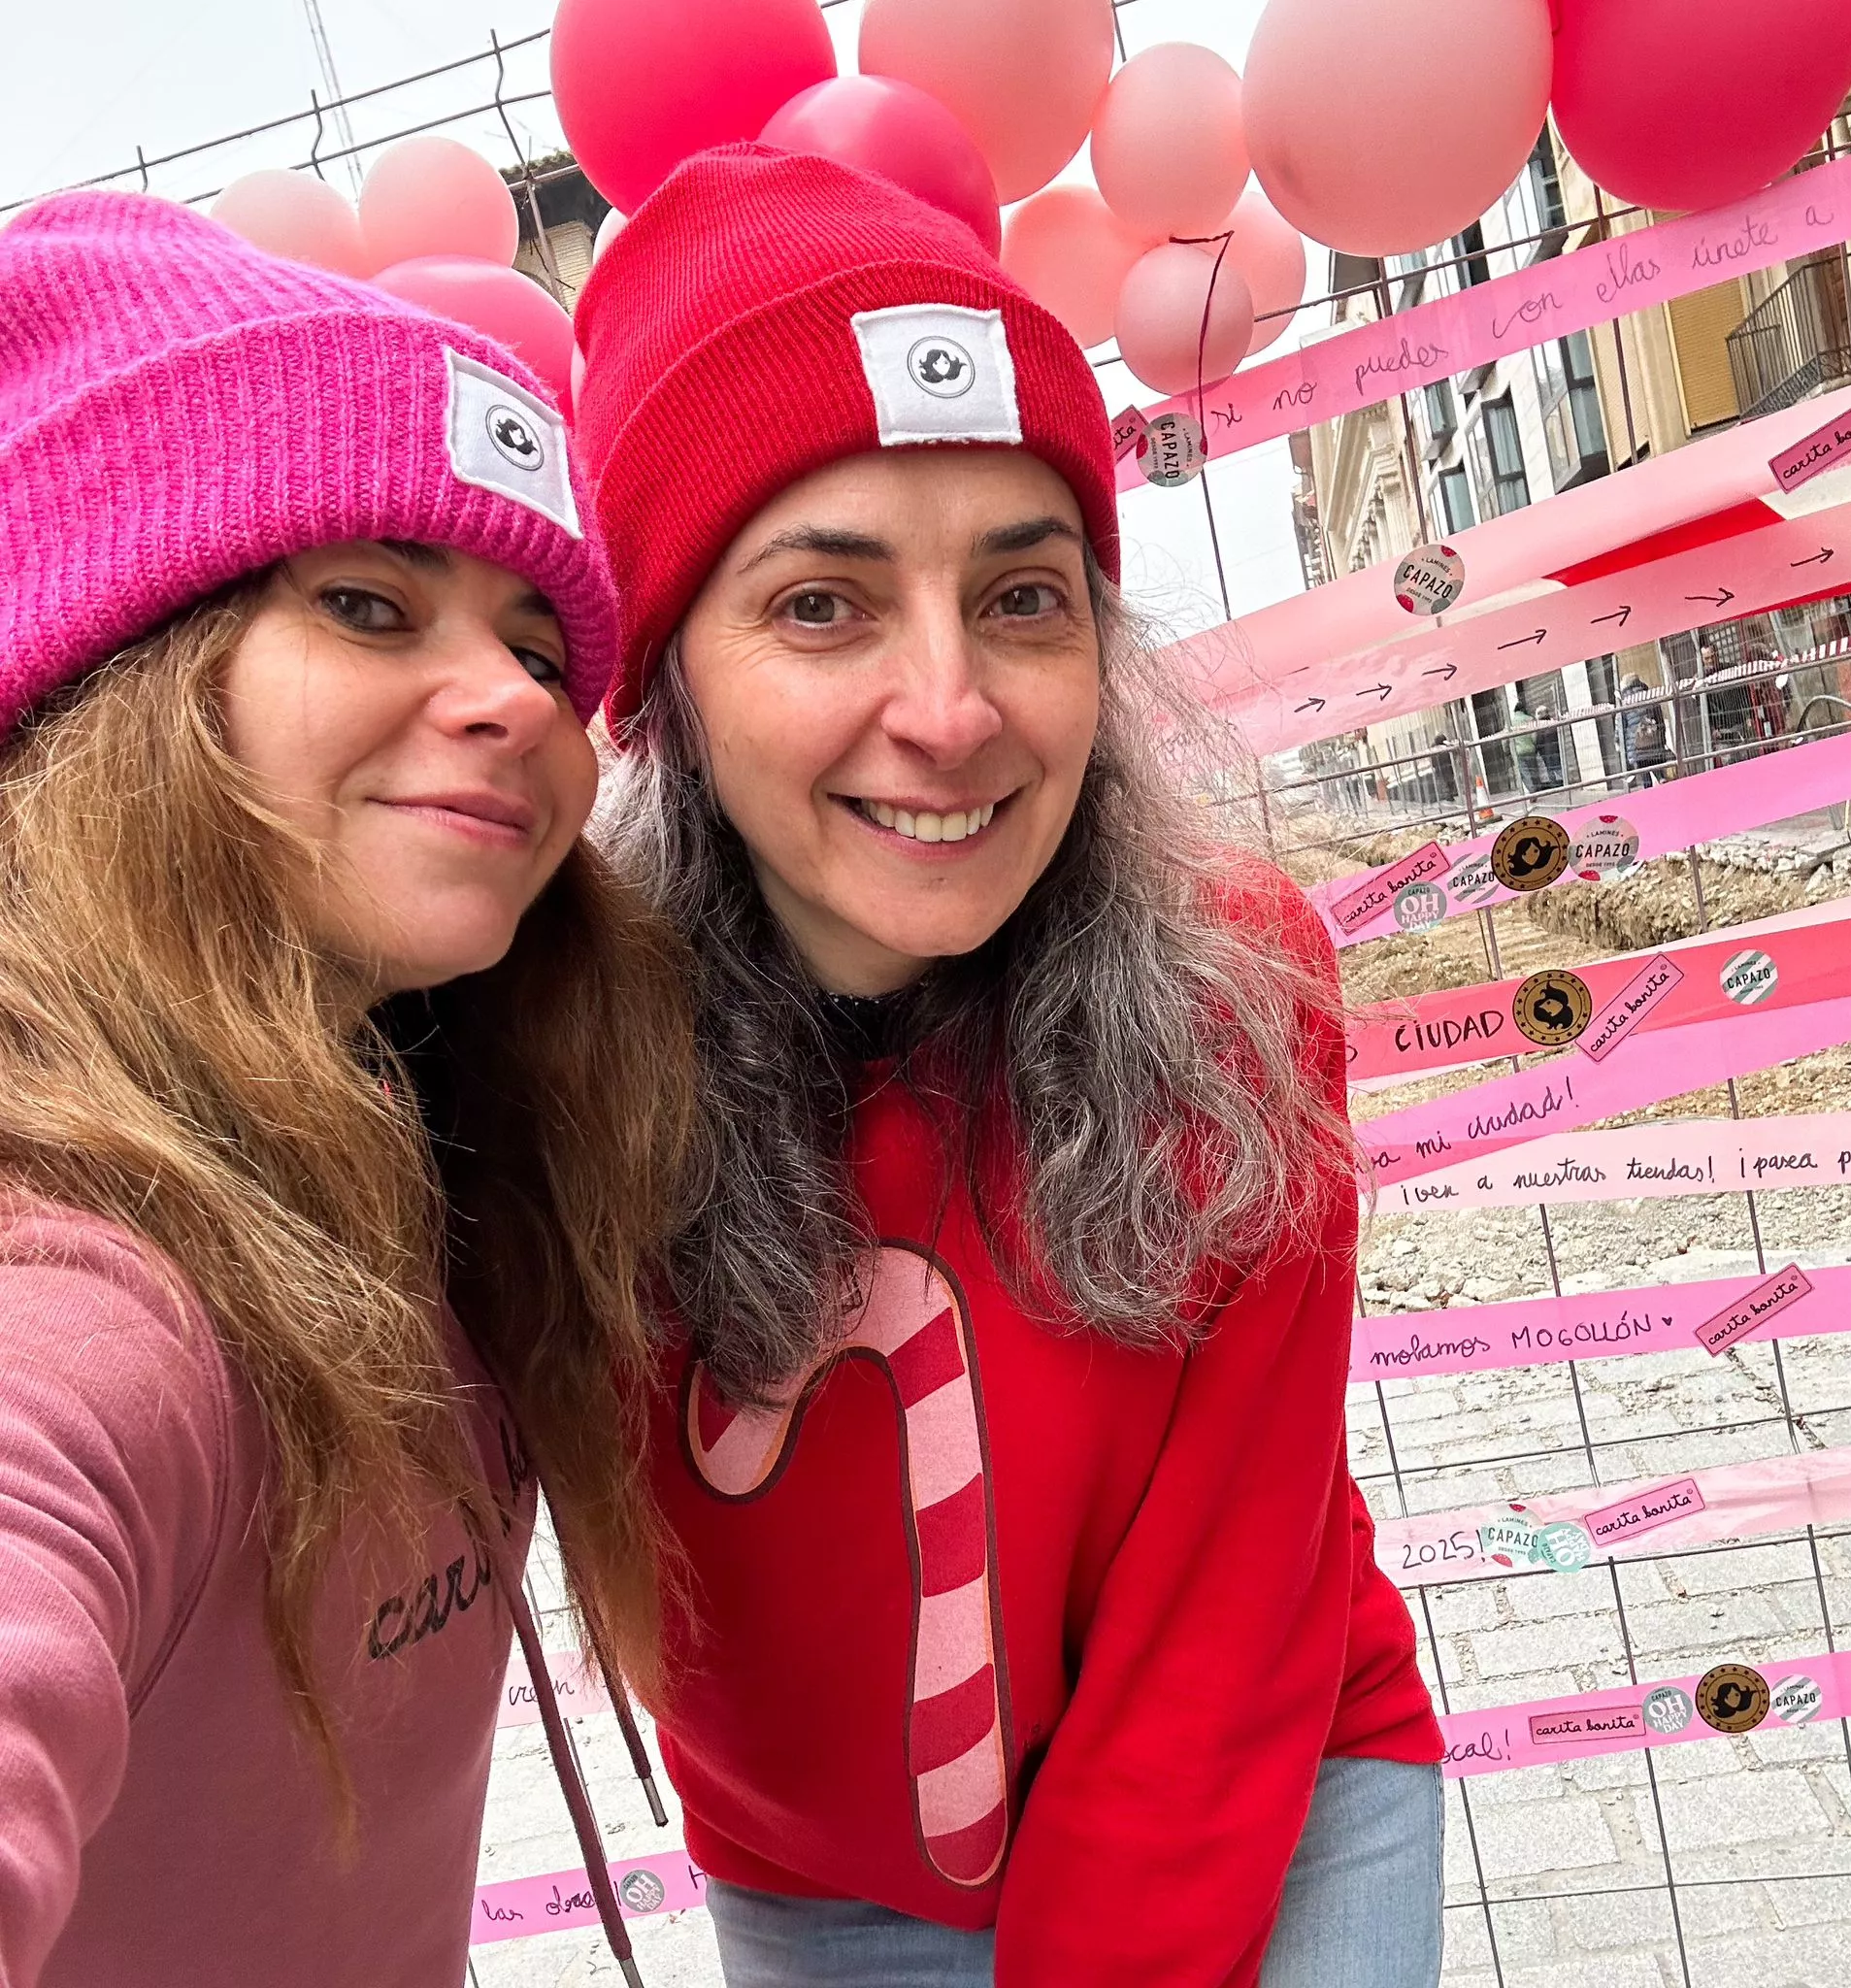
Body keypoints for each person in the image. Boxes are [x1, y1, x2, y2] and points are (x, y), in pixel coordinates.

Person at [577, 147, 1443, 1988]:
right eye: (821, 603)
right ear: (667, 673)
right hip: (828, 1899)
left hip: (1265, 1798)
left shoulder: (1233, 991)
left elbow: (1220, 1614)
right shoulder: (559, 1056)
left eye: (1025, 597)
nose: (952, 708)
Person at [0, 193, 692, 1985]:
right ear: (110, 675)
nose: (515, 702)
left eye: (541, 646)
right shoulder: (84, 1274)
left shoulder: (459, 1145)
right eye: (369, 605)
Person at [1618, 675, 1673, 788]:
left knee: (1645, 776)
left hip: (1637, 747)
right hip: (1654, 743)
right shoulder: (1650, 696)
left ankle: (1650, 794)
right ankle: (1661, 779)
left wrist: (1618, 742)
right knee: (1657, 767)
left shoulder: (1624, 703)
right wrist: (1661, 740)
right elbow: (1660, 721)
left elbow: (1621, 727)